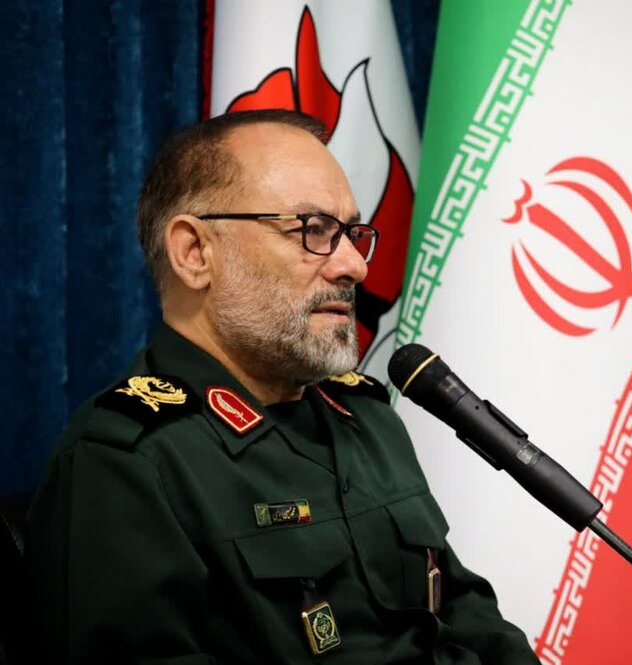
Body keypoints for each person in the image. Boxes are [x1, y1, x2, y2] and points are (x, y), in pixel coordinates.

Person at [27, 110, 540, 665]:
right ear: (195, 253)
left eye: (352, 234)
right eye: (313, 230)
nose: (355, 267)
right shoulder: (127, 460)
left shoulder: (366, 414)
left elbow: (463, 610)